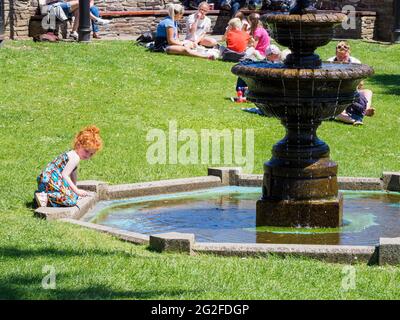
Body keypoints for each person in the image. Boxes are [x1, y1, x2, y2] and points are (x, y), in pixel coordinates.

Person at [36, 126, 103, 207]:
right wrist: (77, 191)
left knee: (73, 195)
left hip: (46, 180)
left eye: (91, 154)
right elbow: (65, 175)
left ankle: (42, 194)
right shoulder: (75, 157)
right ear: (79, 145)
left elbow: (73, 172)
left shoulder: (72, 153)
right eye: (86, 151)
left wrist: (74, 189)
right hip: (50, 181)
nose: (88, 155)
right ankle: (46, 197)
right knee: (71, 201)